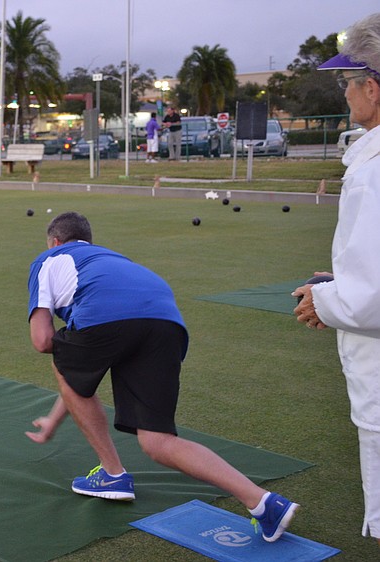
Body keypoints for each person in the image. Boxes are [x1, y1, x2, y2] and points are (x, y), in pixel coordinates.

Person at [27, 211, 298, 542]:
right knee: (158, 441)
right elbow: (78, 369)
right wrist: (54, 421)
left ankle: (113, 474)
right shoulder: (109, 260)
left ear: (54, 242)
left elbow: (43, 342)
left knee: (60, 350)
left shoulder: (49, 258)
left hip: (109, 318)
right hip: (166, 321)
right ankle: (263, 503)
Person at [294, 12, 380, 546]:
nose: (346, 93)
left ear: (371, 86)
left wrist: (323, 300)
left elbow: (371, 299)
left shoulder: (373, 169)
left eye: (349, 82)